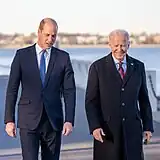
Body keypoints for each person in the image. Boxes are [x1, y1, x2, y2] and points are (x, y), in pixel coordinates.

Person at [4, 18, 76, 160]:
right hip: (28, 120)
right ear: (39, 32)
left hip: (53, 121)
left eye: (54, 36)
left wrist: (69, 120)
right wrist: (9, 120)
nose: (50, 39)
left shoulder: (63, 58)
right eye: (47, 35)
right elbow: (12, 88)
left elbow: (69, 91)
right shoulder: (21, 56)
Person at [85, 29, 154, 160]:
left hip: (132, 131)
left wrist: (148, 126)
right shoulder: (97, 68)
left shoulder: (138, 67)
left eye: (123, 45)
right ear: (109, 45)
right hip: (107, 132)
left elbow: (144, 99)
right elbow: (91, 101)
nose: (119, 49)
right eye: (116, 45)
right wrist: (95, 127)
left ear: (129, 44)